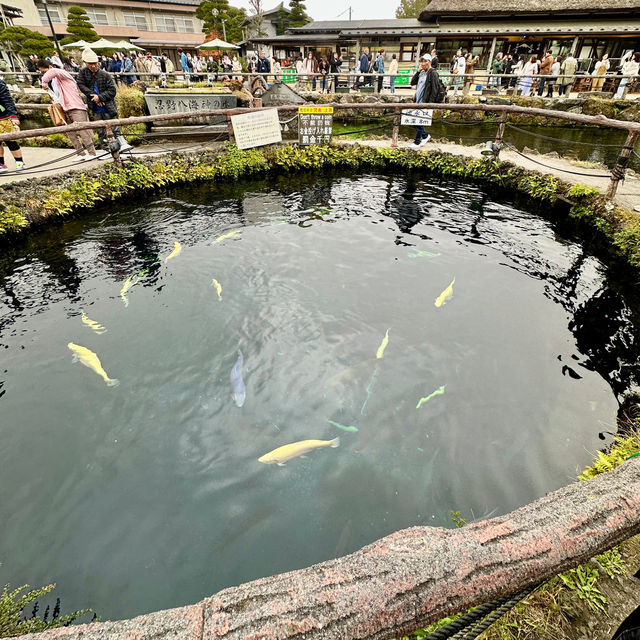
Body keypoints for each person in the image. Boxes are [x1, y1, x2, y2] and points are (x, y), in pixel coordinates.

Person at [37, 58, 97, 162]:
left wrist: (44, 82)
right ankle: (80, 153)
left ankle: (92, 153)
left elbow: (53, 72)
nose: (44, 74)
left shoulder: (62, 74)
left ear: (50, 67)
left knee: (83, 131)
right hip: (64, 108)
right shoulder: (54, 81)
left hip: (75, 106)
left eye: (44, 71)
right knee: (70, 132)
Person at [76, 48, 132, 156]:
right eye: (90, 64)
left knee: (115, 127)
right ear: (86, 63)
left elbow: (112, 91)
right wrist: (94, 96)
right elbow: (81, 85)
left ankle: (121, 147)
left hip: (108, 105)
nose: (93, 66)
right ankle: (106, 150)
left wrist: (100, 97)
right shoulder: (83, 73)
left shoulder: (104, 74)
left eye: (95, 64)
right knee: (100, 131)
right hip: (95, 107)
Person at [410, 54, 442, 148]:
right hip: (418, 101)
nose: (423, 63)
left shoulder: (433, 73)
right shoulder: (422, 73)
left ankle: (417, 141)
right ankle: (425, 136)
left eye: (425, 61)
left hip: (425, 101)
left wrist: (429, 103)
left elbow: (434, 89)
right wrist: (418, 71)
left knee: (418, 121)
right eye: (422, 61)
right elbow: (412, 83)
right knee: (415, 121)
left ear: (430, 62)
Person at [0, 77, 25, 171]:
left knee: (10, 140)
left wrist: (13, 115)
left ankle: (20, 162)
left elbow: (7, 100)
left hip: (3, 116)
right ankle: (1, 163)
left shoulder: (0, 84)